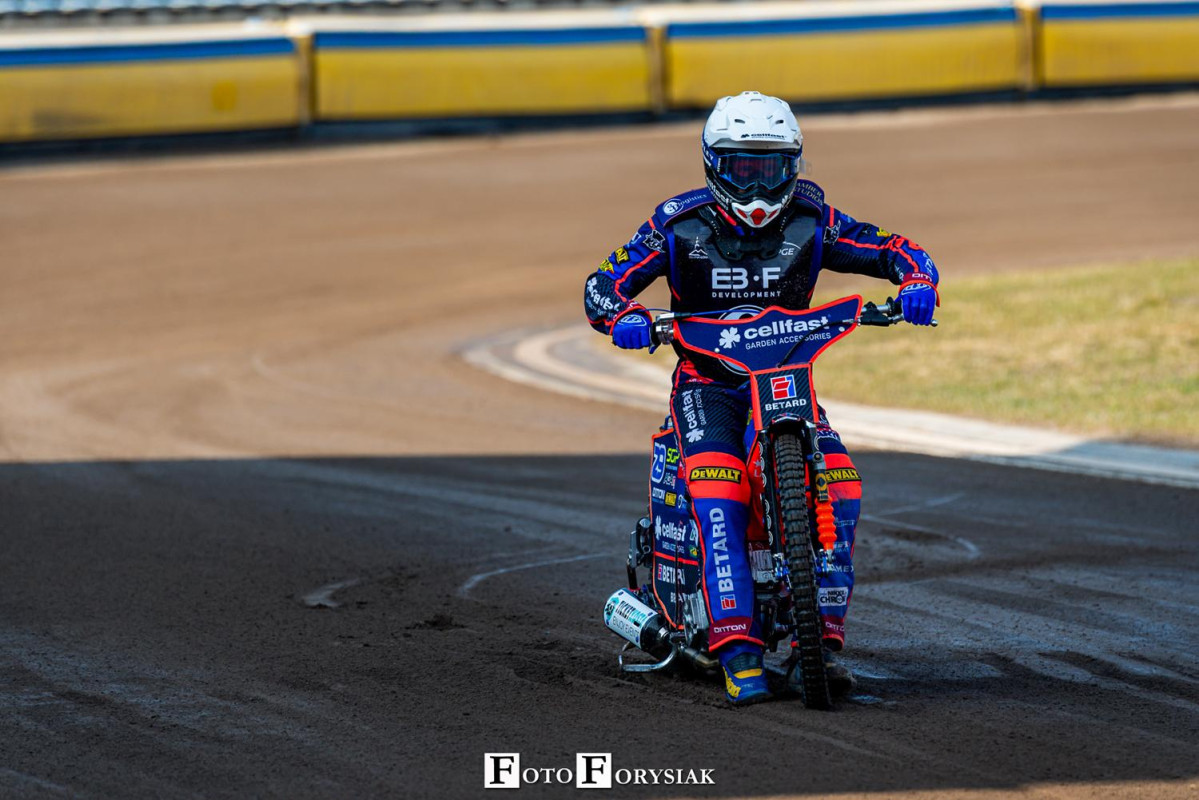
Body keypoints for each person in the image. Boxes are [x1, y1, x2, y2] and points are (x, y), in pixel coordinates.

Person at [584, 91, 940, 705]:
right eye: (742, 168)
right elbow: (601, 285)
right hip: (707, 386)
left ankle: (819, 647)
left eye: (770, 168)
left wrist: (918, 281)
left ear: (793, 165)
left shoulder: (814, 218)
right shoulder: (675, 225)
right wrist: (625, 317)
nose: (756, 187)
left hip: (785, 380)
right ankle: (738, 648)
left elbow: (895, 248)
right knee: (718, 493)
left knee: (843, 486)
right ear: (713, 165)